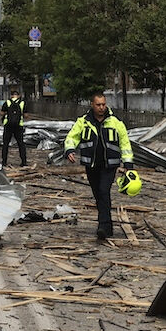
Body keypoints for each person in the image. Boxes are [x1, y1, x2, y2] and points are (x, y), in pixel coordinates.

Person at [65, 93, 134, 240]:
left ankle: (104, 225)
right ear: (92, 104)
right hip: (91, 164)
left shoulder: (115, 123)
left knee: (104, 191)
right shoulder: (83, 122)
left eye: (103, 104)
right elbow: (72, 137)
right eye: (98, 105)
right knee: (98, 194)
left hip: (110, 165)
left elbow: (125, 143)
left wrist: (128, 163)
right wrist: (69, 150)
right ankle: (106, 225)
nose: (102, 107)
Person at [0, 88, 28, 167]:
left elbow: (1, 113)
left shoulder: (7, 102)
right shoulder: (22, 103)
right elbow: (26, 115)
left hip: (8, 125)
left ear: (11, 95)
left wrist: (8, 113)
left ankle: (4, 161)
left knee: (5, 144)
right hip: (18, 126)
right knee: (21, 144)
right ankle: (23, 161)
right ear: (18, 95)